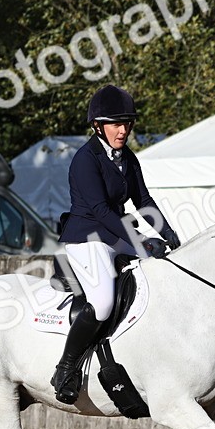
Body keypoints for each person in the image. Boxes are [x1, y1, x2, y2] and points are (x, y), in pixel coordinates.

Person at [51, 84, 181, 404]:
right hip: (88, 238)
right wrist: (138, 242)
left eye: (127, 124)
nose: (123, 130)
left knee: (161, 271)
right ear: (98, 126)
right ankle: (65, 368)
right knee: (104, 302)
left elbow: (144, 200)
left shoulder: (128, 157)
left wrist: (171, 237)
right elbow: (100, 211)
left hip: (116, 233)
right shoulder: (85, 159)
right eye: (115, 124)